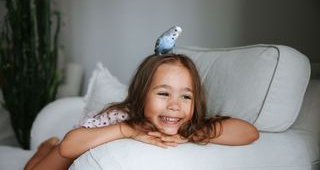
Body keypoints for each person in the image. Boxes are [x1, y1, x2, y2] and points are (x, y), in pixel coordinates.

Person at [24, 53, 259, 170]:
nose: (175, 105)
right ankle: (44, 149)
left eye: (186, 96)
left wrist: (194, 133)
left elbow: (249, 133)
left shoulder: (186, 124)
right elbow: (69, 147)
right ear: (142, 96)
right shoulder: (121, 116)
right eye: (163, 93)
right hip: (73, 146)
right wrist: (126, 130)